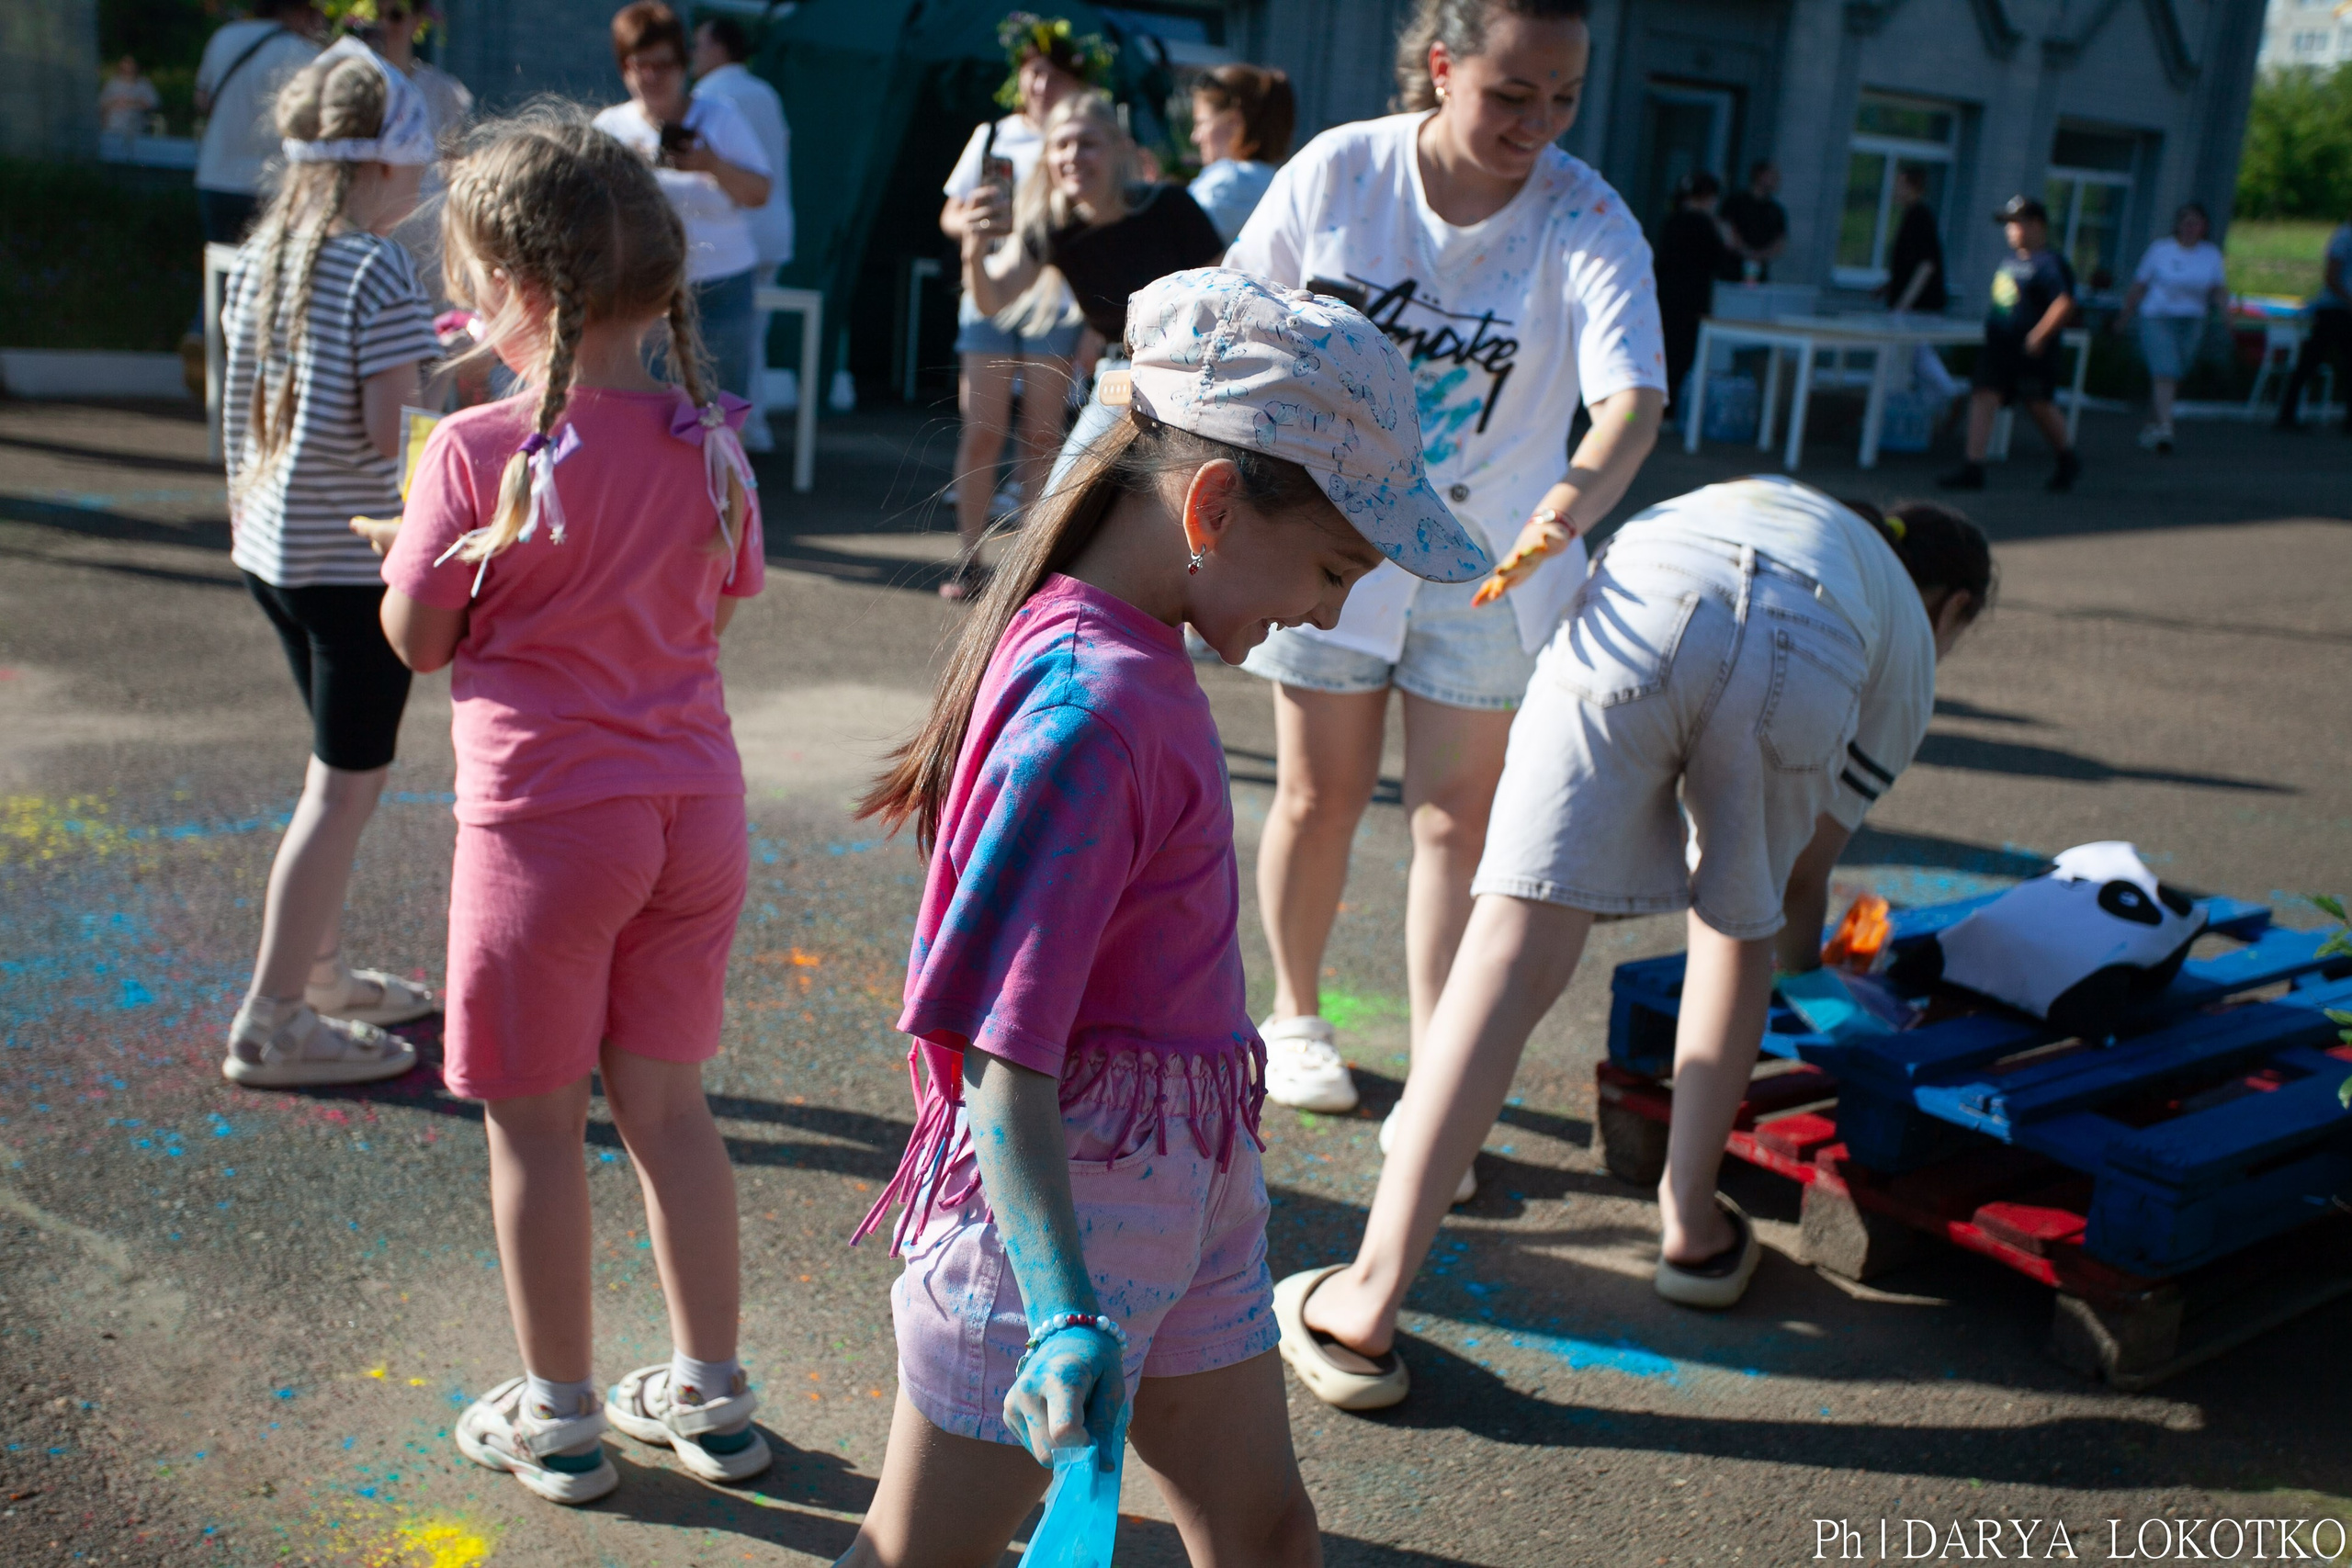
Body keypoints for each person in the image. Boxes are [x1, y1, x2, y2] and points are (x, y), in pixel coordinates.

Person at [836, 266, 1487, 1568]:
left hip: (1184, 1173)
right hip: (1063, 1234)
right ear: (1212, 503)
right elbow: (1004, 1062)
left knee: (1267, 1535)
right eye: (1333, 564)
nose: (1335, 608)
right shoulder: (1096, 709)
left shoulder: (1135, 658)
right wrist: (1065, 1312)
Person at [1275, 478, 1994, 1409]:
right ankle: (1691, 1228)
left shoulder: (1755, 497)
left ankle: (1364, 1302)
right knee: (1735, 929)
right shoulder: (1899, 629)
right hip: (1805, 647)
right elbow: (1791, 887)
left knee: (1515, 929)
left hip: (1639, 595)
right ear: (1956, 605)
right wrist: (1815, 983)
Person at [376, 107, 772, 1507]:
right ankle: (716, 1398)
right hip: (694, 816)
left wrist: (425, 556)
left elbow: (418, 639)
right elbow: (720, 592)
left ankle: (557, 1413)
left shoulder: (475, 452)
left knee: (537, 1129)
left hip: (549, 827)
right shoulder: (711, 435)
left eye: (471, 282)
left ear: (519, 297)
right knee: (670, 1107)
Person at [1224, 0, 1666, 1165]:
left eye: (1564, 97)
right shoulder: (1343, 171)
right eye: (1511, 94)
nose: (1539, 124)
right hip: (1329, 536)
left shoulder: (1587, 214)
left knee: (1455, 824)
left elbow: (1631, 395)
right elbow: (1235, 306)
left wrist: (1568, 507)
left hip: (1490, 562)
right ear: (1440, 68)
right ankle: (1298, 1013)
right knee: (1316, 795)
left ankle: (1436, 1082)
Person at [218, 38, 439, 1089]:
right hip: (353, 567)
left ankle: (317, 973)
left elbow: (256, 409)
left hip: (274, 551)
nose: (426, 180)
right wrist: (457, 381)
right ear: (378, 164)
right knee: (343, 790)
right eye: (416, 163)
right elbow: (387, 429)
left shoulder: (266, 254)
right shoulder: (377, 264)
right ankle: (271, 1018)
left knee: (331, 780)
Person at [973, 91, 1226, 507]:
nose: (1073, 156)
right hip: (1121, 381)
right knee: (1063, 501)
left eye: (1087, 143)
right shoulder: (1056, 229)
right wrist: (974, 247)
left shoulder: (1169, 207)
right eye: (1061, 145)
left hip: (1193, 381)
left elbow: (1224, 293)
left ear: (1118, 148)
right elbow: (993, 298)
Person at [936, 12, 1111, 598]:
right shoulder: (994, 133)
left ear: (1075, 83)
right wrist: (976, 221)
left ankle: (1024, 569)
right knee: (981, 427)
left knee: (1041, 435)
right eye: (1032, 74)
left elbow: (1102, 226)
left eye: (1053, 76)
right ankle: (969, 559)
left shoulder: (1087, 140)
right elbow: (951, 212)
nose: (1040, 86)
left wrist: (1094, 320)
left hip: (1057, 302)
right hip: (988, 291)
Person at [594, 3, 773, 412]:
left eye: (664, 64)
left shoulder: (719, 118)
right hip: (643, 286)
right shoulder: (610, 127)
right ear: (625, 67)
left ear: (684, 64)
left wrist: (710, 163)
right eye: (642, 65)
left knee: (722, 411)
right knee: (647, 408)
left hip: (720, 284)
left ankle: (725, 480)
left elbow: (759, 192)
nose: (653, 77)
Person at [693, 15, 794, 452]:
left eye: (698, 45)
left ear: (718, 47)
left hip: (734, 240)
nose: (693, 55)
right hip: (772, 232)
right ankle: (753, 430)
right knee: (752, 338)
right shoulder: (766, 92)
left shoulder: (707, 97)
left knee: (730, 344)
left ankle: (740, 435)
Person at [1939, 195, 2080, 492]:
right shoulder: (2011, 260)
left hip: (2031, 351)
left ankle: (2067, 457)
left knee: (2039, 404)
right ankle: (1973, 466)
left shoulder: (2050, 263)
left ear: (2036, 225)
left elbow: (2064, 302)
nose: (2011, 231)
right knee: (1983, 395)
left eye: (2017, 224)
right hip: (1999, 346)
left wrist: (2039, 335)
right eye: (2008, 225)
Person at [194, 0, 324, 244]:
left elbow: (202, 100)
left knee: (220, 270)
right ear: (300, 11)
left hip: (215, 175)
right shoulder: (305, 53)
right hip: (273, 184)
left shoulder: (224, 37)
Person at [2120, 203, 2227, 454]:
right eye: (2186, 222)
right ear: (2178, 225)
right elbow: (2140, 284)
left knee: (2175, 372)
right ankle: (2166, 428)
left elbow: (2218, 289)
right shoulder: (2161, 250)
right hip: (2158, 316)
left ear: (2204, 227)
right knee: (2165, 368)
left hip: (2191, 320)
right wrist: (2125, 316)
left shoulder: (2210, 254)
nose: (2190, 228)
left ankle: (2153, 424)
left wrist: (2227, 317)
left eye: (2196, 223)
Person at [1654, 170, 1739, 413]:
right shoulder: (1704, 225)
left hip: (1667, 296)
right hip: (1692, 300)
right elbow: (1722, 263)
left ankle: (1658, 409)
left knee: (1666, 353)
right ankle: (1670, 410)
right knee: (1682, 356)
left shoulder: (1672, 220)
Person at [1877, 164, 1962, 402]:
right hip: (1914, 304)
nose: (1895, 191)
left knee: (1915, 354)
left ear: (1911, 186)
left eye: (1899, 185)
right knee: (1915, 356)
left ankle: (1948, 395)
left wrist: (1904, 303)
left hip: (1918, 307)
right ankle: (1934, 405)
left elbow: (1926, 265)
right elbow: (1912, 264)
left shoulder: (1919, 216)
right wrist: (1889, 287)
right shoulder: (1913, 216)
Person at [1187, 64, 1295, 244]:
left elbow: (1169, 237)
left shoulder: (1231, 183)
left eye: (1202, 123)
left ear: (1234, 121)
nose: (1195, 137)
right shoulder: (1278, 182)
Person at [2275, 207, 2352, 434]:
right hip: (2334, 310)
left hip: (2341, 309)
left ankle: (2288, 413)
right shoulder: (2345, 236)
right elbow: (2331, 275)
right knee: (2312, 360)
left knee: (2315, 360)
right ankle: (2287, 414)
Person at [362, 2, 472, 153]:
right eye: (376, 15)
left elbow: (457, 159)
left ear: (416, 22)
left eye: (396, 16)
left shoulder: (444, 91)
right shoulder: (359, 87)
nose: (383, 24)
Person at [1719, 160, 1787, 281]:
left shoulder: (1776, 210)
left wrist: (1759, 256)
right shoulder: (1735, 202)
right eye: (1772, 175)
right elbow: (1725, 229)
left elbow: (1780, 241)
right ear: (1759, 175)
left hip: (1759, 273)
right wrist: (1745, 252)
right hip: (1730, 271)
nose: (1777, 179)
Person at [99, 55, 161, 142]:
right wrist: (115, 102)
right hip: (113, 129)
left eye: (131, 64)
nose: (128, 67)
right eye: (126, 63)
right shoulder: (112, 84)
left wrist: (133, 102)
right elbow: (102, 104)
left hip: (137, 130)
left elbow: (154, 103)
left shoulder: (144, 84)